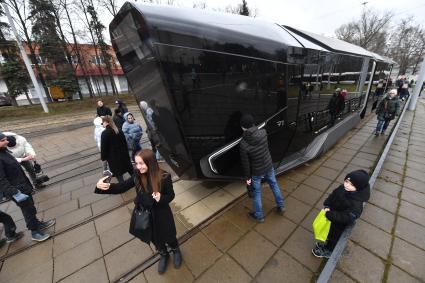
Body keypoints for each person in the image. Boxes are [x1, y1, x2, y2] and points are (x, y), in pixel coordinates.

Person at [95, 149, 182, 274]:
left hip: (161, 214)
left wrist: (161, 198)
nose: (138, 167)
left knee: (168, 234)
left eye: (141, 163)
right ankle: (163, 254)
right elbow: (122, 187)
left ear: (150, 162)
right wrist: (103, 186)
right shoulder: (137, 175)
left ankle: (176, 250)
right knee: (154, 237)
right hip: (145, 214)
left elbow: (171, 195)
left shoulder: (164, 176)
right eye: (136, 163)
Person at [0, 132, 55, 242]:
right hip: (16, 190)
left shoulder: (4, 151)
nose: (6, 141)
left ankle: (37, 223)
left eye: (5, 139)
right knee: (28, 210)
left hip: (23, 185)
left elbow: (12, 141)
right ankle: (35, 232)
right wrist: (15, 193)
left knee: (31, 207)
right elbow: (1, 180)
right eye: (3, 140)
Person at [312, 169, 370, 258]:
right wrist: (327, 204)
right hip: (332, 218)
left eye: (352, 185)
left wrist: (330, 214)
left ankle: (329, 251)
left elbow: (348, 217)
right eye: (346, 181)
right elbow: (332, 195)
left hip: (340, 225)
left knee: (334, 238)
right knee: (328, 233)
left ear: (359, 187)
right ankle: (327, 244)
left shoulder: (356, 204)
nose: (347, 185)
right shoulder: (342, 188)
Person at [239, 114, 285, 223]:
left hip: (256, 171)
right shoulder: (263, 133)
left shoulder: (243, 144)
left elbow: (246, 165)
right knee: (274, 184)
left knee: (257, 192)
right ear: (253, 124)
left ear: (243, 127)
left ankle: (259, 216)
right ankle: (281, 206)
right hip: (268, 165)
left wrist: (247, 179)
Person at [100, 116, 133, 183]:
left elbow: (104, 148)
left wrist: (103, 157)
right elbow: (125, 143)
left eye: (102, 122)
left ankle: (123, 187)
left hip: (113, 158)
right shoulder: (119, 130)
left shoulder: (105, 133)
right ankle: (138, 181)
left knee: (119, 174)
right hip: (124, 156)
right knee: (130, 171)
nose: (102, 124)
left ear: (106, 122)